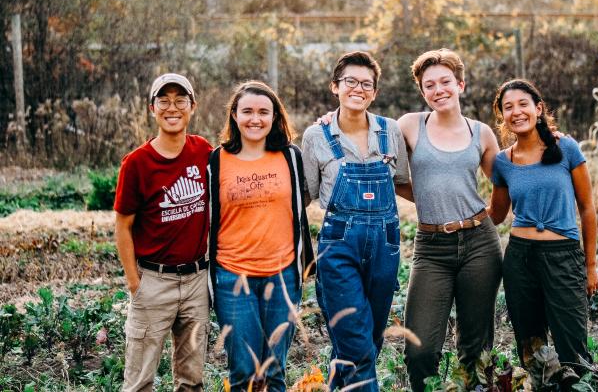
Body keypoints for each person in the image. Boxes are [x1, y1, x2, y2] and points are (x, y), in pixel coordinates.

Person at [302, 51, 410, 392]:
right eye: (350, 81)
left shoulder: (390, 131)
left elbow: (403, 182)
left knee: (368, 341)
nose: (358, 89)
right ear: (335, 86)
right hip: (339, 249)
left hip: (385, 249)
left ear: (375, 92)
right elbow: (305, 196)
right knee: (358, 345)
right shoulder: (315, 136)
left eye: (367, 84)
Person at [397, 49, 503, 391]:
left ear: (460, 85)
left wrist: (493, 216)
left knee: (475, 347)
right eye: (429, 85)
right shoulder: (409, 126)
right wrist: (331, 118)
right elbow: (390, 169)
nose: (438, 89)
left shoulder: (482, 133)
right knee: (420, 348)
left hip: (479, 245)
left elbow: (503, 182)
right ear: (422, 91)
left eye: (445, 81)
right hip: (431, 249)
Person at [208, 81, 314, 392]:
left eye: (264, 112)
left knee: (274, 372)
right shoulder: (217, 160)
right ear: (235, 116)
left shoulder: (291, 157)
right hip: (232, 277)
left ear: (275, 117)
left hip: (283, 276)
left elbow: (307, 197)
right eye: (248, 111)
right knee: (244, 372)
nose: (256, 119)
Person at [488, 78, 598, 372]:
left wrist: (590, 266)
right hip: (519, 259)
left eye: (523, 104)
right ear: (503, 116)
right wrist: (455, 210)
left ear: (538, 108)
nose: (516, 112)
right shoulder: (503, 161)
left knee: (573, 349)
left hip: (563, 256)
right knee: (531, 348)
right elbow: (496, 215)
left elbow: (587, 209)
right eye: (508, 107)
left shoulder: (566, 148)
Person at [114, 73, 212, 392]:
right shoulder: (137, 164)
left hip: (197, 279)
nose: (173, 108)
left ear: (192, 107)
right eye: (164, 101)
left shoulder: (203, 152)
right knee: (140, 379)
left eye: (180, 100)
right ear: (151, 109)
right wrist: (134, 282)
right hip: (154, 280)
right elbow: (123, 226)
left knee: (192, 378)